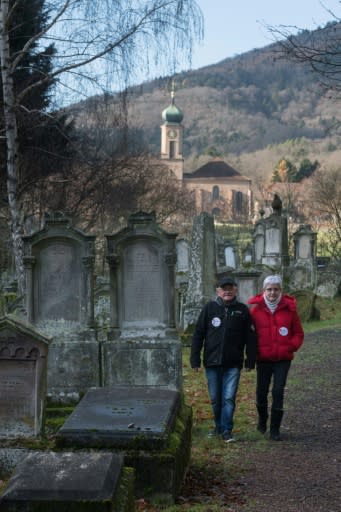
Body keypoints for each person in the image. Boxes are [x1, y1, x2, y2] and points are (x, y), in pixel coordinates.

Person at [190, 276, 257, 443]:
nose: (227, 291)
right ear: (217, 291)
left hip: (233, 363)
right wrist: (195, 359)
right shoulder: (209, 308)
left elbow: (250, 337)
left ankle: (227, 430)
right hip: (212, 362)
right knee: (215, 398)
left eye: (230, 288)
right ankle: (218, 426)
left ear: (235, 290)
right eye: (223, 288)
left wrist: (250, 360)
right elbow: (198, 334)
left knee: (228, 398)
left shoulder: (242, 310)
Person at [248, 275, 304, 441]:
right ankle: (262, 422)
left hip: (282, 359)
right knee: (261, 392)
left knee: (278, 391)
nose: (272, 292)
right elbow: (250, 335)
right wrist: (253, 352)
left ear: (281, 290)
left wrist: (290, 346)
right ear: (263, 290)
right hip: (263, 358)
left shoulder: (290, 309)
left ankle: (275, 429)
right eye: (269, 289)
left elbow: (298, 333)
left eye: (276, 289)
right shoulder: (255, 310)